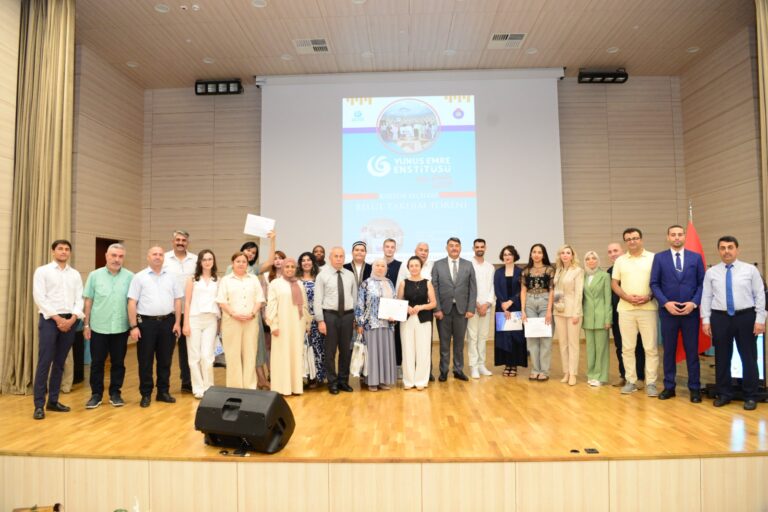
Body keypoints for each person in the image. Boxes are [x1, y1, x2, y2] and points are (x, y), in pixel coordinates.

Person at [701, 236, 765, 411]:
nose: (726, 251)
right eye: (722, 248)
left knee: (749, 358)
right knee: (722, 358)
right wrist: (706, 320)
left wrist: (760, 320)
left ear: (737, 249)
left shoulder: (750, 270)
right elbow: (706, 297)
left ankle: (750, 395)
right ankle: (724, 394)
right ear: (719, 251)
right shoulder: (711, 273)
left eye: (730, 247)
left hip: (745, 317)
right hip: (720, 318)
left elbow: (760, 295)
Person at [650, 225, 705, 402]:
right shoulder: (659, 258)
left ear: (684, 237)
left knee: (692, 351)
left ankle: (695, 389)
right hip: (668, 313)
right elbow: (654, 284)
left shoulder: (695, 258)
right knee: (669, 352)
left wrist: (694, 303)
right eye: (673, 235)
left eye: (680, 234)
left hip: (690, 312)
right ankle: (669, 387)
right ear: (668, 237)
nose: (676, 237)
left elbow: (702, 284)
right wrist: (666, 303)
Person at [31, 240, 84, 420]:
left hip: (70, 321)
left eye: (67, 249)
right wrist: (57, 318)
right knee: (45, 362)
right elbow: (40, 298)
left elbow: (80, 299)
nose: (64, 252)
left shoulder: (75, 274)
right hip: (49, 320)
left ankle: (53, 401)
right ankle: (39, 405)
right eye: (60, 249)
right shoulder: (42, 271)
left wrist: (73, 319)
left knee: (60, 363)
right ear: (53, 251)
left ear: (70, 253)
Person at [127, 246, 182, 408]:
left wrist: (177, 322)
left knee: (165, 360)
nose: (157, 257)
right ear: (148, 257)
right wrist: (133, 326)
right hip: (146, 324)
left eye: (160, 254)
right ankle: (145, 394)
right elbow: (132, 302)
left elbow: (178, 300)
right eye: (154, 254)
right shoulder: (139, 277)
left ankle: (163, 392)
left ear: (163, 258)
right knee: (145, 361)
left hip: (168, 322)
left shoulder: (172, 277)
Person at [83, 243, 133, 409]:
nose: (116, 259)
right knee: (97, 363)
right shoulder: (94, 276)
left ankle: (115, 393)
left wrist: (133, 326)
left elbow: (132, 303)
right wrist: (86, 325)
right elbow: (88, 301)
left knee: (118, 363)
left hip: (121, 327)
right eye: (113, 255)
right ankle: (96, 395)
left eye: (120, 256)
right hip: (99, 327)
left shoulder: (130, 277)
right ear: (106, 256)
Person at [611, 228, 659, 397]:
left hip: (648, 309)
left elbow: (658, 282)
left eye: (635, 238)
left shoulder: (654, 258)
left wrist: (649, 296)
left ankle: (651, 382)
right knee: (627, 348)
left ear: (641, 239)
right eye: (628, 239)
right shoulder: (620, 261)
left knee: (650, 348)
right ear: (625, 242)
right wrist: (626, 297)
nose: (632, 241)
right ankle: (630, 380)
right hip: (626, 309)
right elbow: (615, 283)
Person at [216, 252, 265, 389]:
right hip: (231, 322)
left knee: (250, 355)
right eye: (238, 261)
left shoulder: (253, 279)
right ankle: (235, 387)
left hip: (251, 321)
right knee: (233, 356)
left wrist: (252, 313)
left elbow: (259, 299)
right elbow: (221, 301)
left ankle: (250, 387)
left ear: (247, 264)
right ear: (232, 263)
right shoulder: (226, 280)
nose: (241, 264)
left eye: (244, 261)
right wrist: (234, 314)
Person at [432, 237, 477, 381]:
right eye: (451, 246)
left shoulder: (468, 265)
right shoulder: (438, 265)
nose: (454, 248)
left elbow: (473, 289)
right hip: (443, 311)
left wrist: (471, 308)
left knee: (459, 344)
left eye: (457, 246)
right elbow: (434, 288)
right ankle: (443, 371)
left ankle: (458, 370)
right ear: (446, 248)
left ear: (460, 248)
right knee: (444, 344)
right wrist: (437, 309)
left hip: (462, 310)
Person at [314, 246, 357, 394]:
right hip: (329, 316)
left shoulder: (350, 275)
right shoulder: (322, 276)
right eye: (336, 256)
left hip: (347, 316)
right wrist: (320, 320)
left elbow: (355, 298)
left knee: (346, 350)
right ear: (330, 258)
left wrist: (355, 317)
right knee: (330, 351)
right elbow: (317, 299)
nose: (339, 259)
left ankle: (343, 381)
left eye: (341, 256)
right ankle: (332, 382)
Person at [266, 258, 311, 396]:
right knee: (281, 355)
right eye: (287, 267)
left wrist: (307, 323)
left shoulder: (299, 284)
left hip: (297, 325)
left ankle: (295, 387)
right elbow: (271, 305)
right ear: (283, 268)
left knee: (296, 355)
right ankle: (281, 388)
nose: (290, 269)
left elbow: (304, 305)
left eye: (292, 267)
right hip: (281, 326)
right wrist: (273, 325)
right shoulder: (275, 283)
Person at [182, 249, 220, 399]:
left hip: (211, 320)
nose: (207, 262)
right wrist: (185, 324)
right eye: (204, 259)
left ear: (213, 261)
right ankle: (197, 388)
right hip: (194, 319)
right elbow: (187, 302)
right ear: (200, 262)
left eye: (210, 259)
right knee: (194, 356)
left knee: (207, 355)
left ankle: (209, 386)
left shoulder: (218, 280)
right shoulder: (192, 279)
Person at [607, 242, 646, 387]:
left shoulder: (632, 266)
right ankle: (624, 375)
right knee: (620, 345)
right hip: (618, 314)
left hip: (636, 310)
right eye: (610, 252)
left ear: (622, 251)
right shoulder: (609, 272)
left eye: (615, 250)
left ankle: (640, 377)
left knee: (638, 345)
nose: (613, 254)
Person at [355, 259, 398, 391]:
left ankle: (383, 381)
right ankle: (372, 381)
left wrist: (394, 317)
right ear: (373, 267)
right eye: (377, 265)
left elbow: (395, 301)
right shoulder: (366, 284)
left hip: (387, 325)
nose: (380, 268)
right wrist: (360, 323)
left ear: (386, 269)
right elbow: (360, 304)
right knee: (373, 354)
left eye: (383, 266)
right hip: (371, 325)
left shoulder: (389, 283)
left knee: (385, 352)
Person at [163, 230, 196, 394]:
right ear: (172, 241)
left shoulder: (195, 260)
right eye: (178, 240)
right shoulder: (164, 259)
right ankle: (164, 386)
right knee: (166, 349)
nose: (180, 242)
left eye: (184, 240)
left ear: (187, 243)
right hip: (169, 311)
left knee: (187, 349)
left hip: (189, 312)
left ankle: (187, 381)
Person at [397, 256, 436, 390]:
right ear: (408, 267)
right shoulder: (403, 283)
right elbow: (399, 301)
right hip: (407, 319)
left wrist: (421, 307)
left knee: (423, 350)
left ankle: (421, 380)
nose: (414, 268)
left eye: (416, 265)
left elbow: (433, 303)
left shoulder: (428, 283)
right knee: (407, 350)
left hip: (424, 319)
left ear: (421, 267)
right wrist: (406, 307)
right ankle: (408, 381)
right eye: (411, 265)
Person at [520, 244, 555, 381]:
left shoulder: (550, 270)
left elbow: (552, 290)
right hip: (529, 303)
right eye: (534, 252)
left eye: (539, 252)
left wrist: (548, 311)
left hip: (545, 302)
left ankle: (544, 371)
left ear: (543, 254)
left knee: (546, 338)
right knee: (532, 338)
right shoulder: (526, 271)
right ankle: (535, 369)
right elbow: (523, 290)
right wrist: (523, 310)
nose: (536, 254)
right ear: (530, 254)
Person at [553, 244, 584, 386]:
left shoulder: (578, 271)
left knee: (573, 344)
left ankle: (573, 373)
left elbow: (579, 294)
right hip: (559, 311)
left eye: (568, 253)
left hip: (573, 312)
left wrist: (577, 312)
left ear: (572, 255)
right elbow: (556, 292)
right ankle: (566, 371)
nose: (565, 255)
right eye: (562, 253)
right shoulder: (558, 271)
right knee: (563, 344)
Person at [493, 245, 526, 377]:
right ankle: (507, 364)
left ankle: (514, 365)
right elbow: (497, 289)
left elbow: (522, 290)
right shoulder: (498, 272)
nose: (507, 256)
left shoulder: (521, 272)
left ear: (514, 256)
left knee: (515, 337)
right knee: (503, 338)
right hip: (501, 309)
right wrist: (503, 304)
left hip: (516, 308)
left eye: (510, 254)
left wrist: (510, 302)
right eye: (505, 254)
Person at [582, 250, 612, 387]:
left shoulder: (605, 276)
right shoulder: (583, 276)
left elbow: (608, 300)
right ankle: (591, 374)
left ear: (598, 260)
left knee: (601, 349)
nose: (591, 261)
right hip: (587, 317)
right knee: (590, 349)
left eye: (594, 258)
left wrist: (608, 319)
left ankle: (600, 376)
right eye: (588, 259)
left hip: (601, 317)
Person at [468, 239, 495, 379]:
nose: (479, 248)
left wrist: (487, 304)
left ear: (485, 248)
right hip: (472, 307)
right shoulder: (468, 265)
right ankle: (473, 366)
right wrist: (476, 304)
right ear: (473, 248)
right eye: (477, 246)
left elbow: (492, 287)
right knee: (472, 337)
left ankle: (481, 364)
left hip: (486, 308)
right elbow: (467, 287)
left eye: (482, 246)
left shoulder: (490, 267)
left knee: (483, 337)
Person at [298, 251, 325, 386]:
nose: (306, 262)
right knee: (303, 348)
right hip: (300, 319)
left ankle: (316, 377)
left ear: (313, 262)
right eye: (303, 260)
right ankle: (304, 375)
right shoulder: (296, 280)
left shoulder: (319, 279)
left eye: (309, 260)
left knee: (317, 348)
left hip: (317, 319)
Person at [383, 238, 403, 374]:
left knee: (397, 337)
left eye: (392, 247)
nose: (389, 249)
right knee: (383, 337)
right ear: (383, 248)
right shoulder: (377, 264)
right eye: (387, 246)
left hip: (396, 305)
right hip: (381, 307)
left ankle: (398, 366)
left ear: (395, 249)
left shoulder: (401, 265)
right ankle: (384, 367)